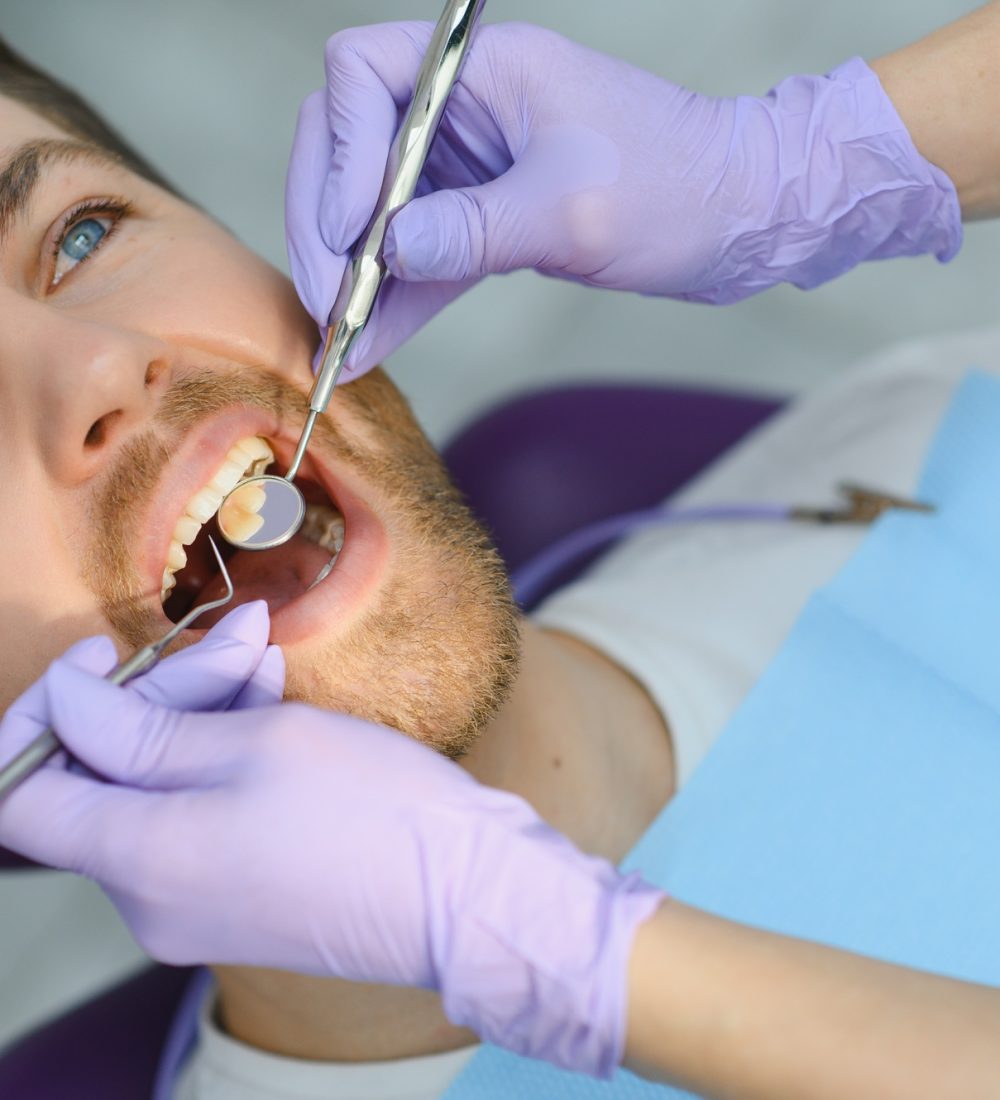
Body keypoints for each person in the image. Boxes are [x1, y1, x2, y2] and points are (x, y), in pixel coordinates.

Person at [0, 9, 998, 1100]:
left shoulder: (918, 431)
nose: (101, 367)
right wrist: (553, 949)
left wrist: (815, 159)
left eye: (81, 234)